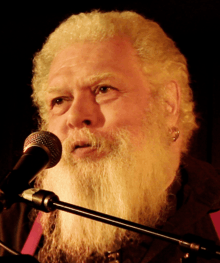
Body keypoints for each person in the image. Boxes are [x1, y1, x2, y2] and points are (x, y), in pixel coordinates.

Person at [2, 10, 220, 263]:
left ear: (167, 103)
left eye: (103, 89)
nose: (75, 116)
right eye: (59, 100)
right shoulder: (11, 228)